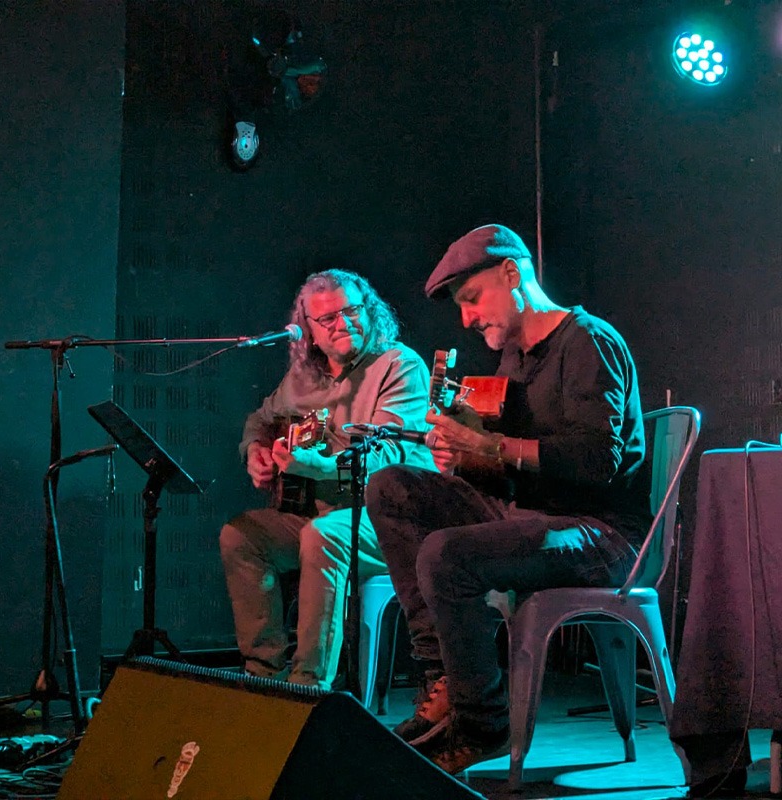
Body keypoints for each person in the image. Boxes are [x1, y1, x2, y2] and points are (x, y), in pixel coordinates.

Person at [365, 224, 652, 774]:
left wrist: (490, 445)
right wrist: (465, 460)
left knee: (446, 553)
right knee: (393, 488)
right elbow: (510, 478)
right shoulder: (514, 360)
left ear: (512, 274)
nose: (467, 319)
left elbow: (598, 463)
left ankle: (483, 722)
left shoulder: (589, 340)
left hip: (602, 532)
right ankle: (447, 678)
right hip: (535, 517)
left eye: (472, 299)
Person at [220, 268, 435, 691]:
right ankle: (264, 674)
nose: (342, 324)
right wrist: (256, 453)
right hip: (320, 514)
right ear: (308, 331)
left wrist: (313, 467)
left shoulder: (399, 365)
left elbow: (386, 455)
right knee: (240, 536)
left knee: (323, 536)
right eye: (328, 319)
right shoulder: (302, 376)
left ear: (369, 311)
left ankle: (307, 686)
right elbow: (258, 422)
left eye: (351, 310)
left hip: (387, 519)